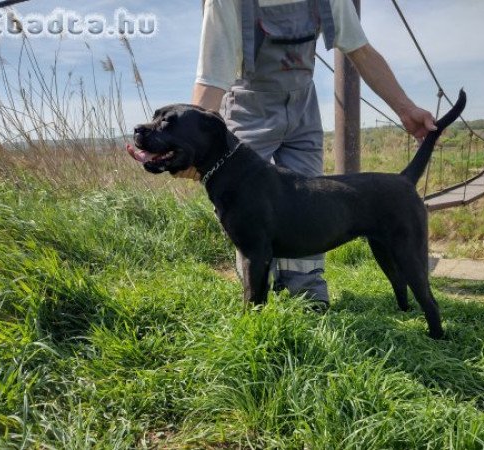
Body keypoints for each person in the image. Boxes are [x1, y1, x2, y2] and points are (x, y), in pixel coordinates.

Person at [177, 0, 437, 309]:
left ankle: (308, 296)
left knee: (312, 205)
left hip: (303, 108)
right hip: (249, 107)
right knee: (245, 205)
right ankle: (256, 302)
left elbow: (361, 50)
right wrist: (195, 150)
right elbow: (210, 78)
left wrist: (405, 108)